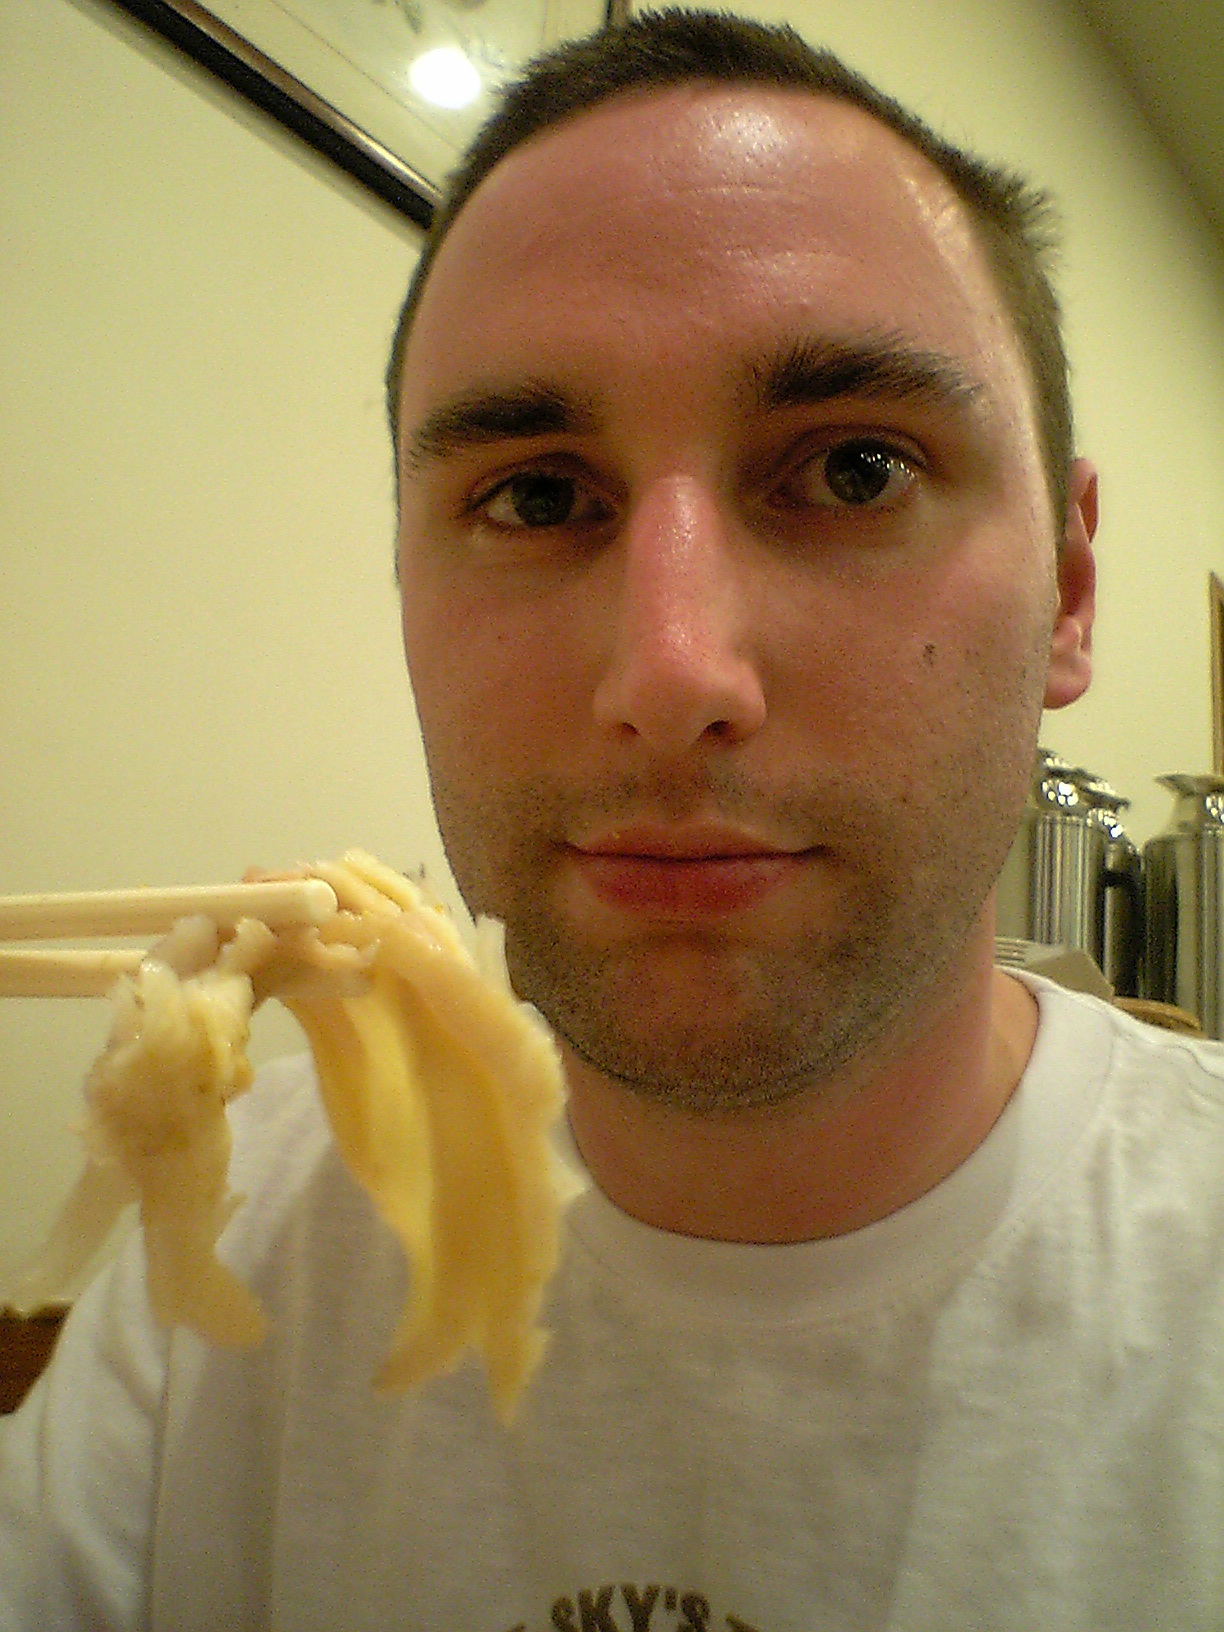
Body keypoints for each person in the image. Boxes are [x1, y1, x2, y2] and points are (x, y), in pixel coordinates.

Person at [4, 10, 1224, 1629]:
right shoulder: (223, 1252)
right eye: (537, 497)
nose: (671, 671)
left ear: (1068, 589)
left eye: (855, 470)